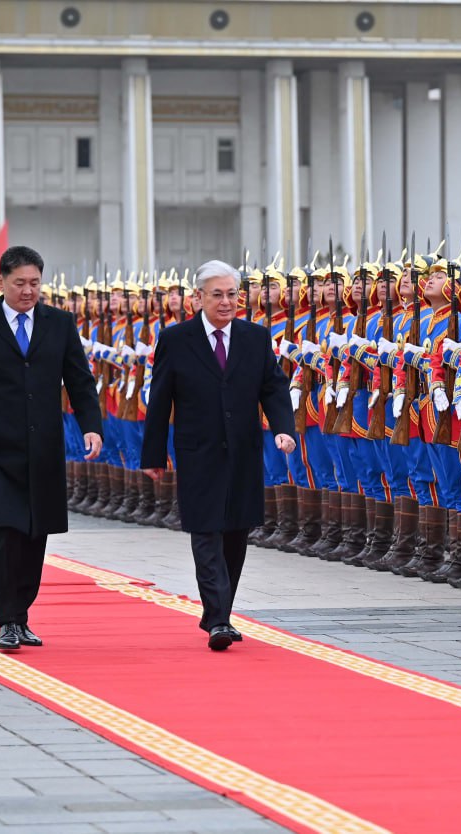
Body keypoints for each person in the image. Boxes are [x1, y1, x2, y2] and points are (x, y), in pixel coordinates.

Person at [0, 245, 104, 652]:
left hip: (44, 446)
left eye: (34, 283)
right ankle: (6, 620)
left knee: (35, 533)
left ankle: (23, 613)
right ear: (0, 283)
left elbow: (80, 381)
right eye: (20, 283)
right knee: (4, 531)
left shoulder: (60, 324)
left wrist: (92, 428)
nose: (28, 291)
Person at [140, 259, 297, 651]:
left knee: (236, 533)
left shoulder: (255, 337)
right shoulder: (176, 339)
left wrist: (283, 430)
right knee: (206, 531)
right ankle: (219, 618)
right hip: (198, 452)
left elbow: (273, 389)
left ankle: (218, 612)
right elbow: (160, 401)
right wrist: (153, 455)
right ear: (198, 298)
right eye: (217, 295)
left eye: (232, 294)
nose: (226, 302)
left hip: (243, 450)